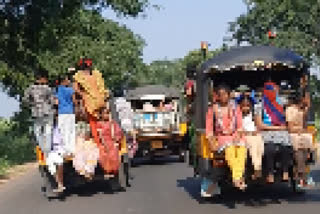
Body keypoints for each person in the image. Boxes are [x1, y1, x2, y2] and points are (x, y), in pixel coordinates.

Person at [206, 84, 247, 190]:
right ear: (218, 96)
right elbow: (209, 129)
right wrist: (211, 141)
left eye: (225, 94)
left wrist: (238, 134)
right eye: (221, 95)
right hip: (222, 137)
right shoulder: (212, 110)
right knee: (230, 151)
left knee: (242, 150)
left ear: (229, 95)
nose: (223, 97)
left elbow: (240, 125)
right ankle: (237, 178)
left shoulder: (235, 107)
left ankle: (236, 178)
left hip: (235, 135)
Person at [255, 79, 291, 183]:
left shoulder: (282, 103)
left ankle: (285, 172)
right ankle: (270, 173)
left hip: (282, 132)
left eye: (274, 90)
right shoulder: (259, 105)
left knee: (286, 148)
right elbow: (260, 125)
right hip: (267, 131)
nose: (273, 93)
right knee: (269, 149)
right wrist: (278, 128)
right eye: (270, 90)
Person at [73, 58, 109, 149]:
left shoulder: (79, 76)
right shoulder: (96, 74)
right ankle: (105, 141)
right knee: (103, 121)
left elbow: (76, 88)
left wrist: (83, 95)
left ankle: (98, 143)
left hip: (90, 103)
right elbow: (102, 88)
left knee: (93, 123)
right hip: (101, 101)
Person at [23, 69, 56, 156]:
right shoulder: (47, 89)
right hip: (47, 111)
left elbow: (25, 101)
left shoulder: (30, 89)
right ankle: (48, 151)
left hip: (36, 113)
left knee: (37, 132)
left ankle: (43, 150)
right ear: (42, 78)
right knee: (48, 131)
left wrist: (32, 105)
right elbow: (52, 101)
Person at [286, 93, 314, 188]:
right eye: (307, 98)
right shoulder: (290, 109)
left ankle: (301, 173)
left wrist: (306, 109)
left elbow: (305, 124)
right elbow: (290, 128)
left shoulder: (303, 110)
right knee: (297, 143)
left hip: (301, 132)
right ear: (302, 99)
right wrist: (301, 130)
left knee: (307, 140)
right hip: (293, 132)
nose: (309, 100)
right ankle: (301, 174)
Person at [238, 94, 264, 180]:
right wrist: (248, 133)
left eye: (248, 106)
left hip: (254, 135)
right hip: (244, 136)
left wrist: (256, 131)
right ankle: (256, 168)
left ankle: (258, 167)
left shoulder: (253, 115)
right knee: (252, 145)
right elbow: (238, 129)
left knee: (259, 144)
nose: (246, 108)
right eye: (243, 106)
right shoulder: (238, 116)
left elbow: (258, 126)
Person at [96, 107, 123, 175]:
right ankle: (107, 170)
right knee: (104, 154)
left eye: (108, 113)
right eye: (104, 114)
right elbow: (100, 135)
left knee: (113, 154)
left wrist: (116, 140)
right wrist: (104, 143)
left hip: (111, 142)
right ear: (101, 115)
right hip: (104, 143)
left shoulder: (112, 123)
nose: (106, 115)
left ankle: (114, 170)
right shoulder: (99, 124)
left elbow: (118, 132)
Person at [55, 74, 76, 157]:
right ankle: (72, 150)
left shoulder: (57, 90)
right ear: (63, 81)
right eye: (67, 80)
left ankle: (66, 151)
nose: (69, 81)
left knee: (63, 132)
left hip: (61, 113)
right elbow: (74, 101)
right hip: (70, 112)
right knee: (71, 131)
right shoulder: (70, 90)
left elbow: (56, 102)